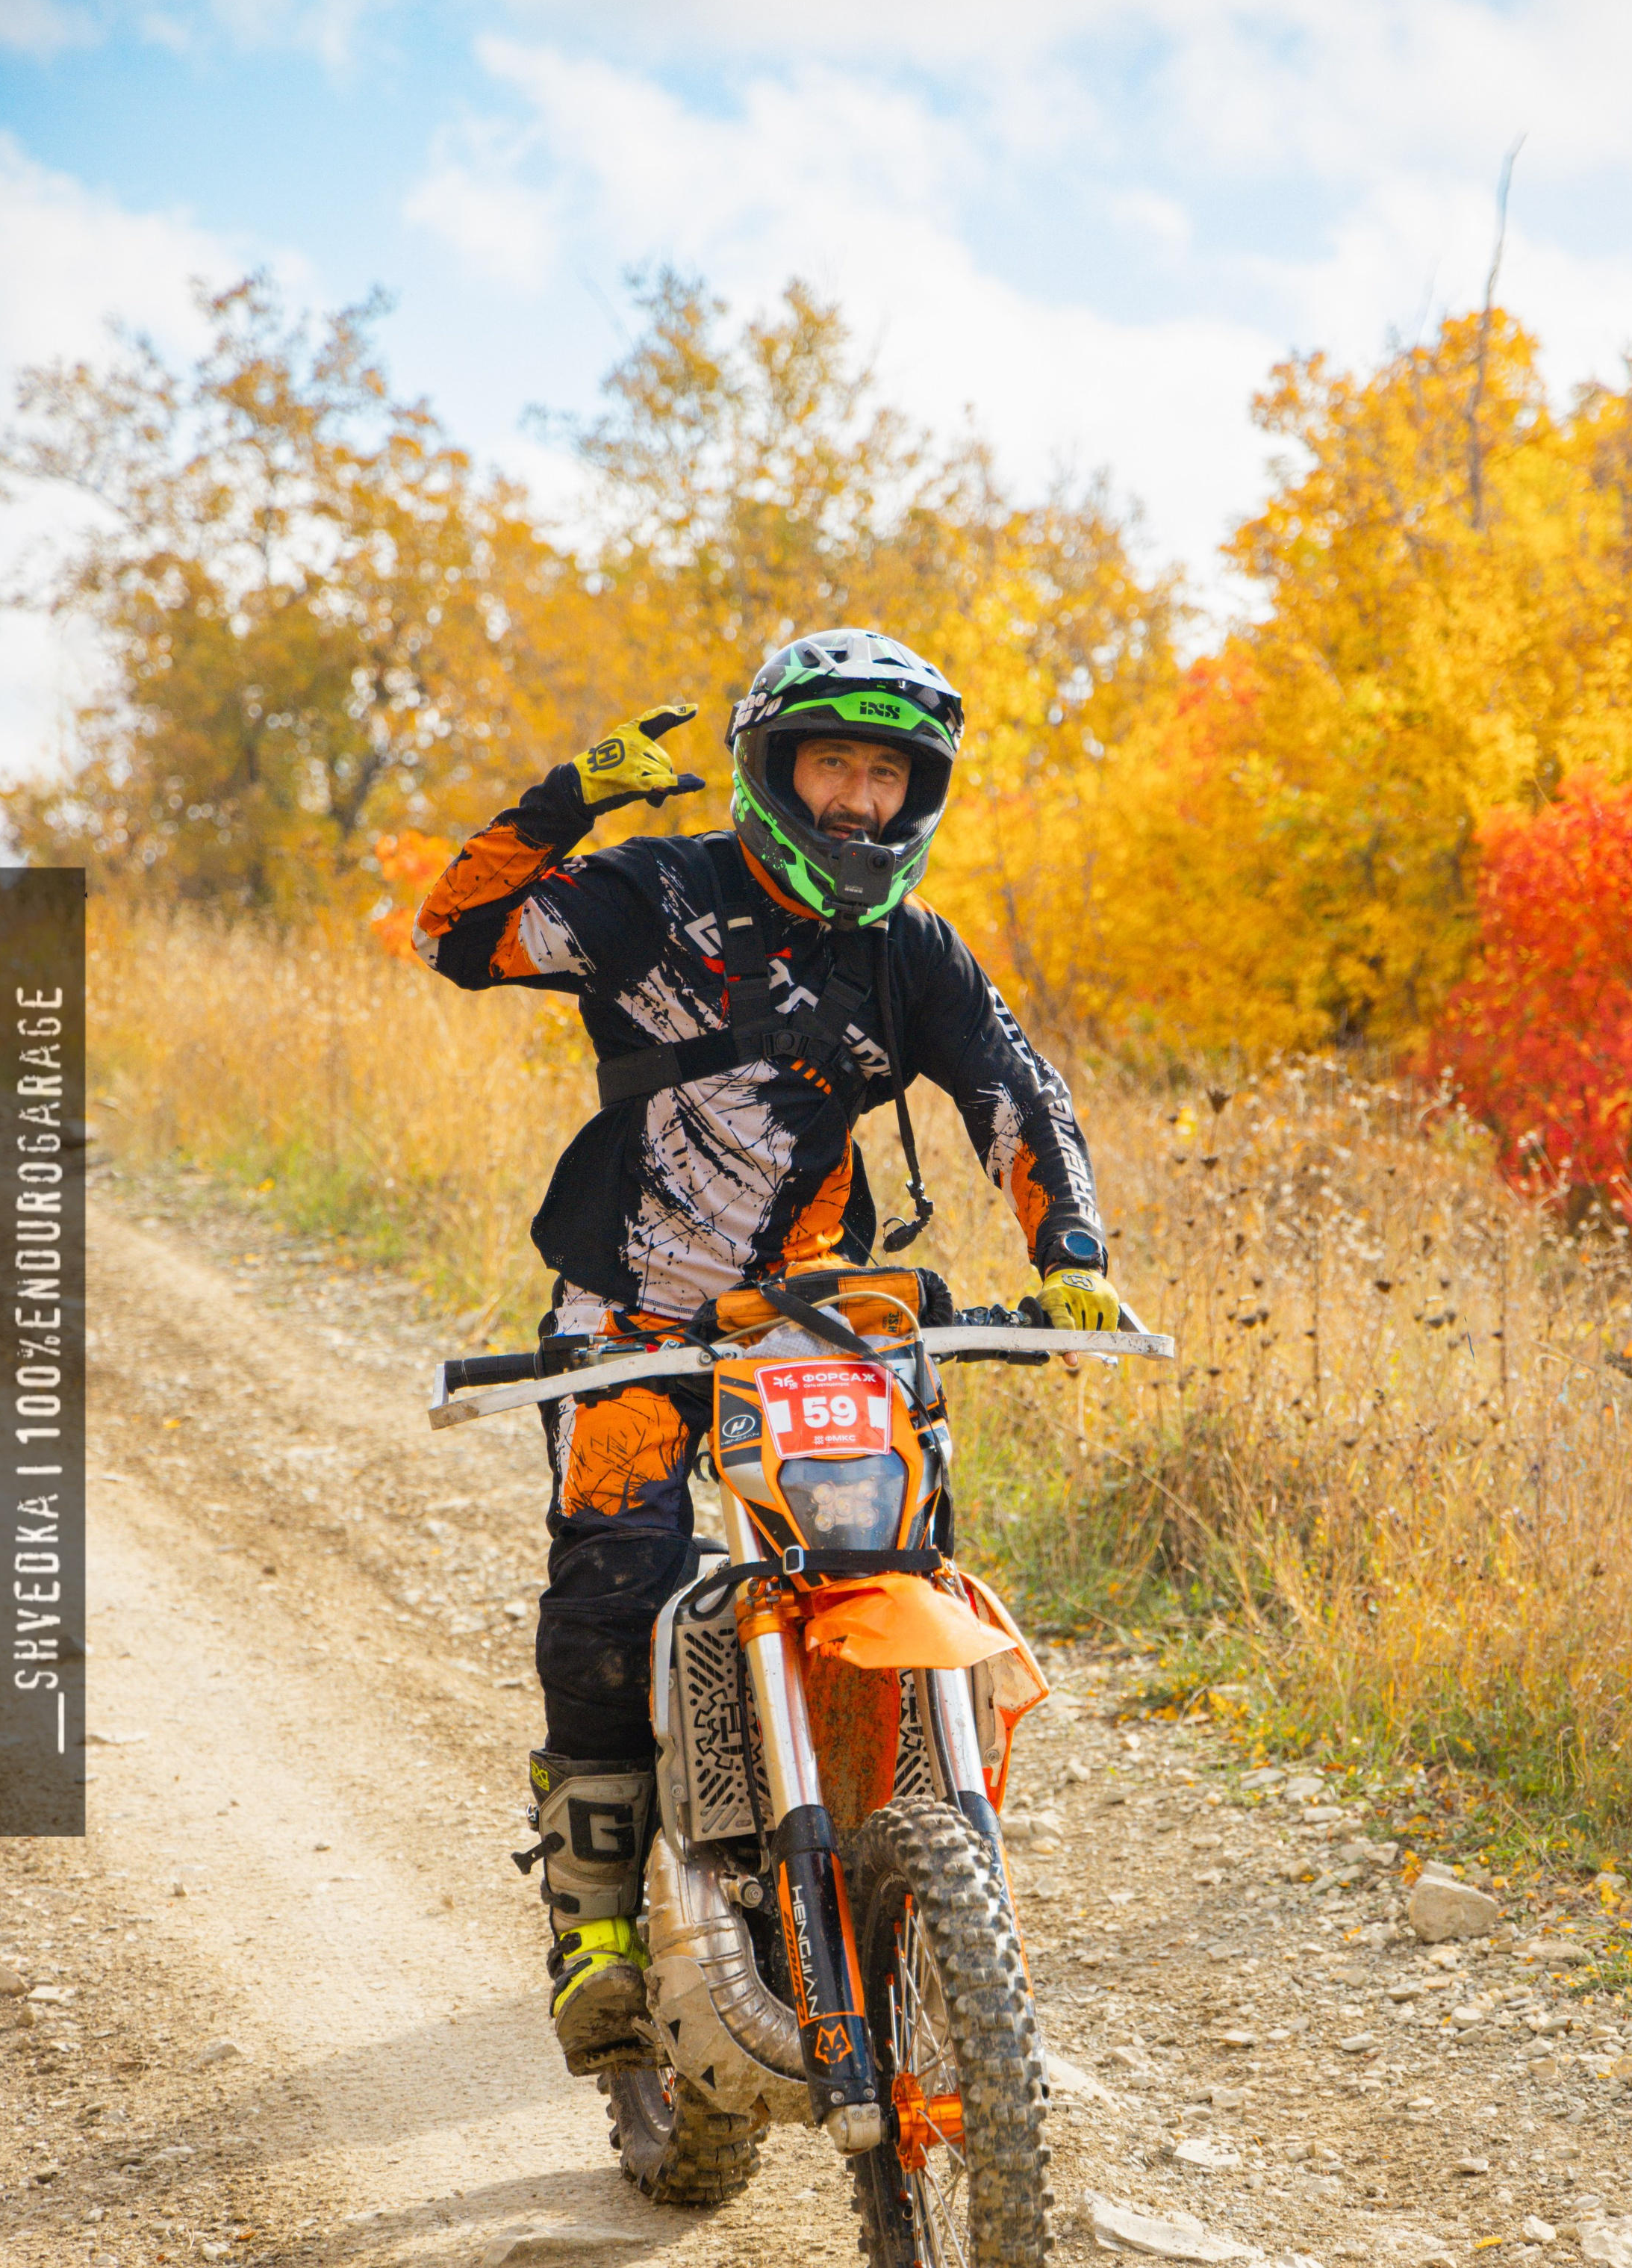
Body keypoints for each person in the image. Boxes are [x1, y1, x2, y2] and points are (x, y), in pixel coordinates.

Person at [415, 628, 1118, 2075]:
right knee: (614, 1576)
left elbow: (1008, 1083)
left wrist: (1074, 1258)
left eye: (886, 772)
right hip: (626, 1309)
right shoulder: (654, 891)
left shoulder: (904, 947)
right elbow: (456, 936)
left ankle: (896, 1848)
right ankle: (598, 1922)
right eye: (832, 763)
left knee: (891, 1547)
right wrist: (564, 800)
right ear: (771, 768)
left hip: (806, 1309)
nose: (859, 800)